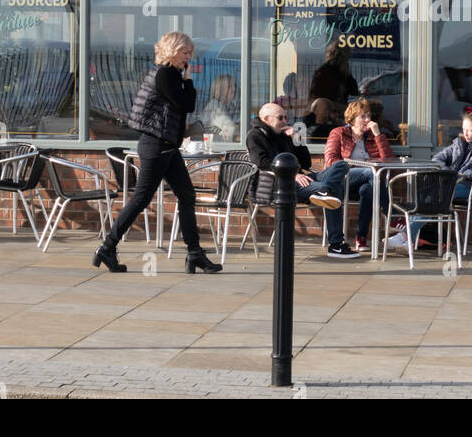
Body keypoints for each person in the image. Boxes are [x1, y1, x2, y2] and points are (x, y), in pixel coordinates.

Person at [94, 31, 221, 274]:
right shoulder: (165, 74)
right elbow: (187, 104)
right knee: (141, 198)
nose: (188, 57)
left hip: (167, 147)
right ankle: (107, 247)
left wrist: (184, 79)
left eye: (190, 53)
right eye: (185, 53)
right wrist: (189, 80)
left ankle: (194, 253)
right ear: (173, 52)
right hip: (156, 146)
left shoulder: (170, 74)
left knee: (186, 195)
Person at [246, 102, 361, 258]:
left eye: (286, 117)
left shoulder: (285, 135)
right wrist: (292, 174)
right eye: (280, 117)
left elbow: (306, 163)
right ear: (266, 118)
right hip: (282, 184)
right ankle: (336, 245)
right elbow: (261, 163)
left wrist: (297, 139)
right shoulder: (255, 135)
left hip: (304, 178)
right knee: (333, 191)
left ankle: (323, 191)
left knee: (341, 165)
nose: (285, 121)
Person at [389, 109, 472, 252]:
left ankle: (405, 235)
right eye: (463, 129)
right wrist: (449, 172)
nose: (465, 133)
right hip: (450, 185)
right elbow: (437, 159)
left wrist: (464, 174)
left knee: (436, 197)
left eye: (469, 130)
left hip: (469, 187)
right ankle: (409, 239)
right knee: (427, 193)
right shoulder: (460, 143)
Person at [323, 99, 394, 251]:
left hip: (365, 182)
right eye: (363, 116)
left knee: (368, 189)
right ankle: (393, 218)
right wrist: (348, 168)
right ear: (352, 119)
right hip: (343, 179)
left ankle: (360, 237)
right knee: (370, 172)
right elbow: (330, 160)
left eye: (369, 116)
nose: (367, 120)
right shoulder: (339, 133)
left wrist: (378, 135)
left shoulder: (372, 137)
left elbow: (388, 162)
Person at [306, 40, 359, 137]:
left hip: (332, 115)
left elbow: (353, 91)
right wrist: (343, 109)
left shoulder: (342, 73)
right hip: (324, 118)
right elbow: (322, 99)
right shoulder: (326, 72)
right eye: (347, 56)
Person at [200, 73, 238, 141]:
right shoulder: (215, 106)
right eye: (230, 86)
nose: (234, 89)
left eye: (234, 86)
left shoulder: (231, 106)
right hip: (215, 147)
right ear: (220, 89)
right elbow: (230, 129)